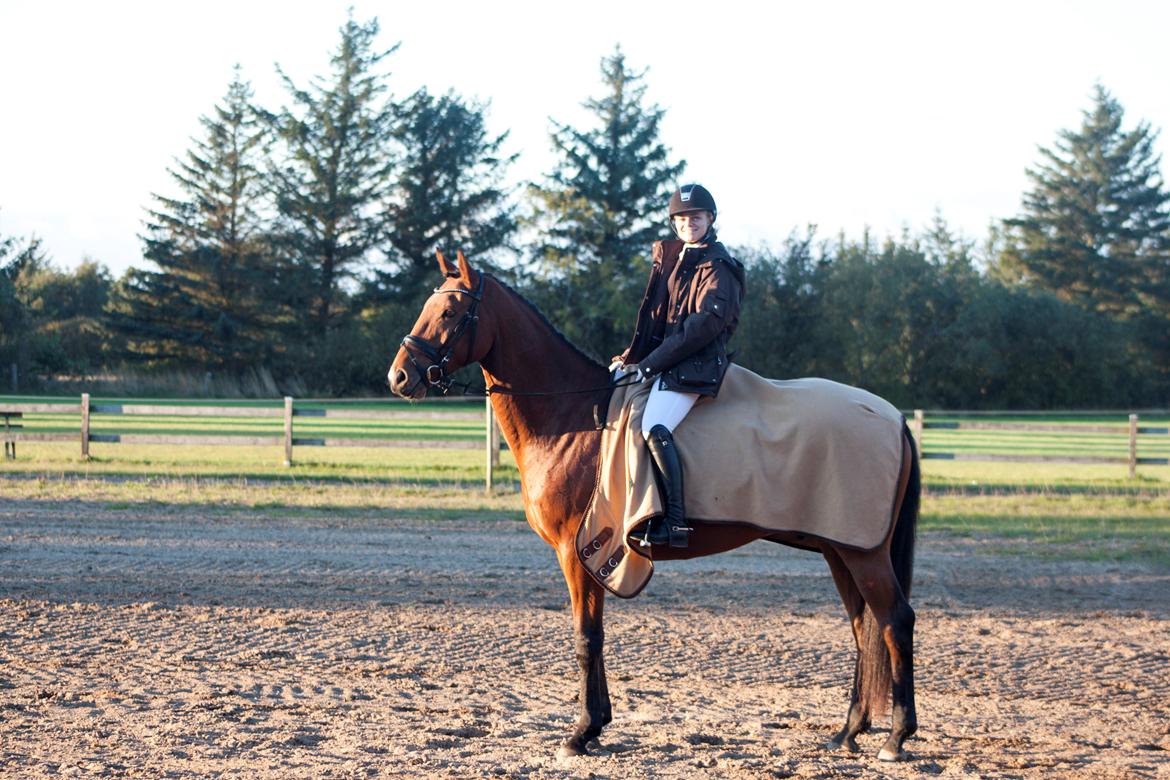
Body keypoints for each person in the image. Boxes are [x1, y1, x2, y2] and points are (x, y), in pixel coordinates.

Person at [611, 183, 745, 548]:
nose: (689, 223)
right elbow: (658, 320)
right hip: (668, 364)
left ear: (710, 219)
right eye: (683, 218)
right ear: (674, 223)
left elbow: (700, 327)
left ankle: (675, 522)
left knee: (653, 426)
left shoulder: (720, 267)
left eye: (696, 217)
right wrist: (631, 357)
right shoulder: (677, 260)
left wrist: (650, 365)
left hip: (695, 367)